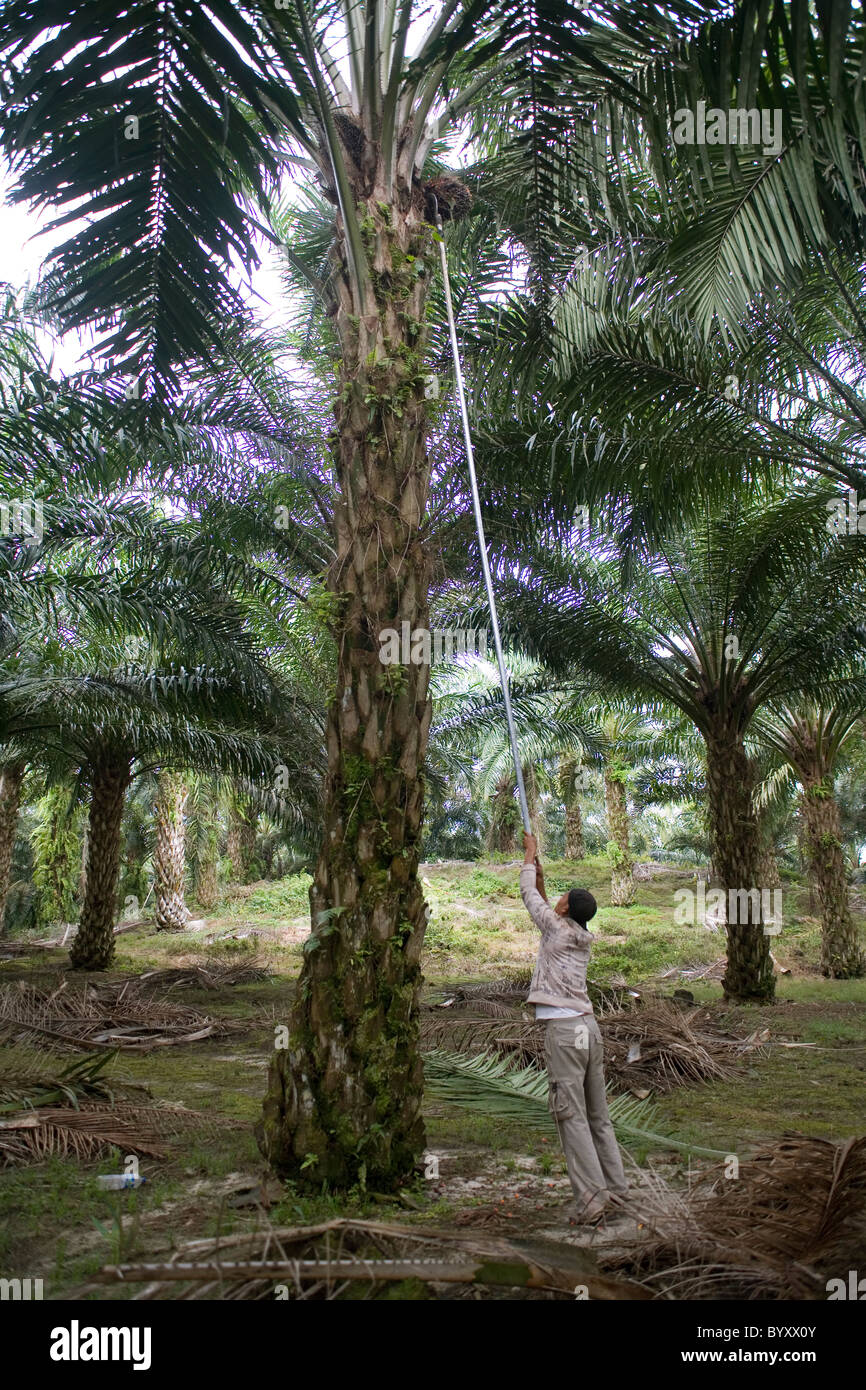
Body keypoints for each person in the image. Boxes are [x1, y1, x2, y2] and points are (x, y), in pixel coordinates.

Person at [520, 830, 628, 1227]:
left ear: (566, 909)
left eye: (563, 897)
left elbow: (531, 900)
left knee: (572, 1116)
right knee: (598, 1114)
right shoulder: (578, 933)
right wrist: (544, 879)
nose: (558, 900)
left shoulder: (555, 927)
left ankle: (592, 1201)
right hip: (587, 1029)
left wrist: (529, 856)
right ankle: (616, 1190)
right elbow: (548, 907)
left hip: (565, 1033)